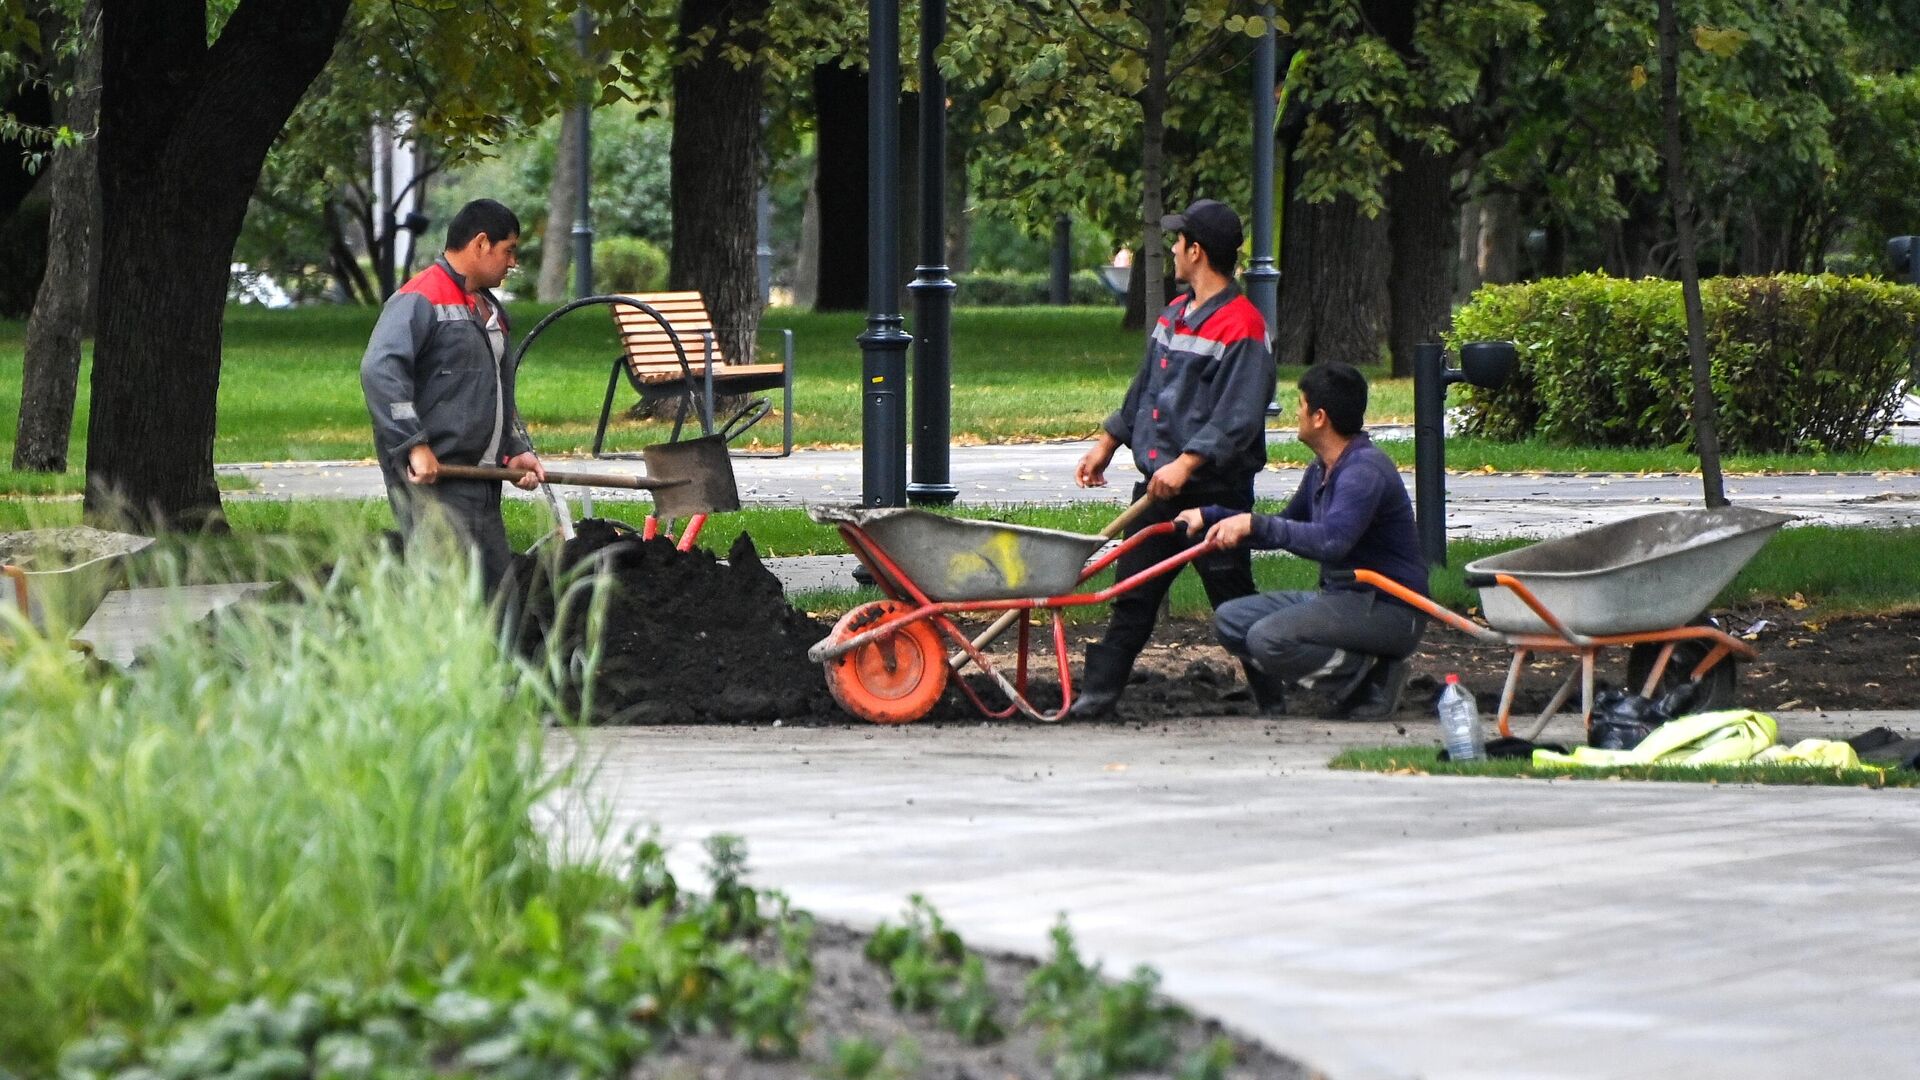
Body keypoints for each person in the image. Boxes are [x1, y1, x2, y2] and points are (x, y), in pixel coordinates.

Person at [1069, 198, 1277, 719]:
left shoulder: (1243, 327)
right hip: (1158, 489)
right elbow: (1148, 389)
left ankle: (1275, 696)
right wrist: (1108, 442)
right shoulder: (1173, 315)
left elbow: (1238, 419)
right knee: (1133, 596)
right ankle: (1097, 698)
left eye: (1178, 242)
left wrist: (1187, 464)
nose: (1172, 251)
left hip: (1214, 496)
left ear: (1197, 251)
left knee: (1231, 597)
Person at [1176, 362, 1427, 719]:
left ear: (1320, 417)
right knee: (1231, 620)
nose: (1297, 412)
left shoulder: (1362, 472)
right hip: (1346, 599)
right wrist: (1214, 518)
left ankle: (1373, 680)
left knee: (1268, 639)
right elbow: (1286, 524)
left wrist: (1254, 524)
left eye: (1301, 404)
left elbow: (1331, 542)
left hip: (1390, 608)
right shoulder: (1324, 468)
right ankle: (1361, 672)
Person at [360, 198, 545, 593]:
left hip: (480, 480)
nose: (513, 263)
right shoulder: (420, 299)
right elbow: (380, 370)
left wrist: (514, 449)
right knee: (446, 603)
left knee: (499, 604)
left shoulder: (490, 311)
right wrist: (414, 445)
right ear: (481, 244)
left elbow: (495, 393)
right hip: (435, 483)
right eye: (508, 250)